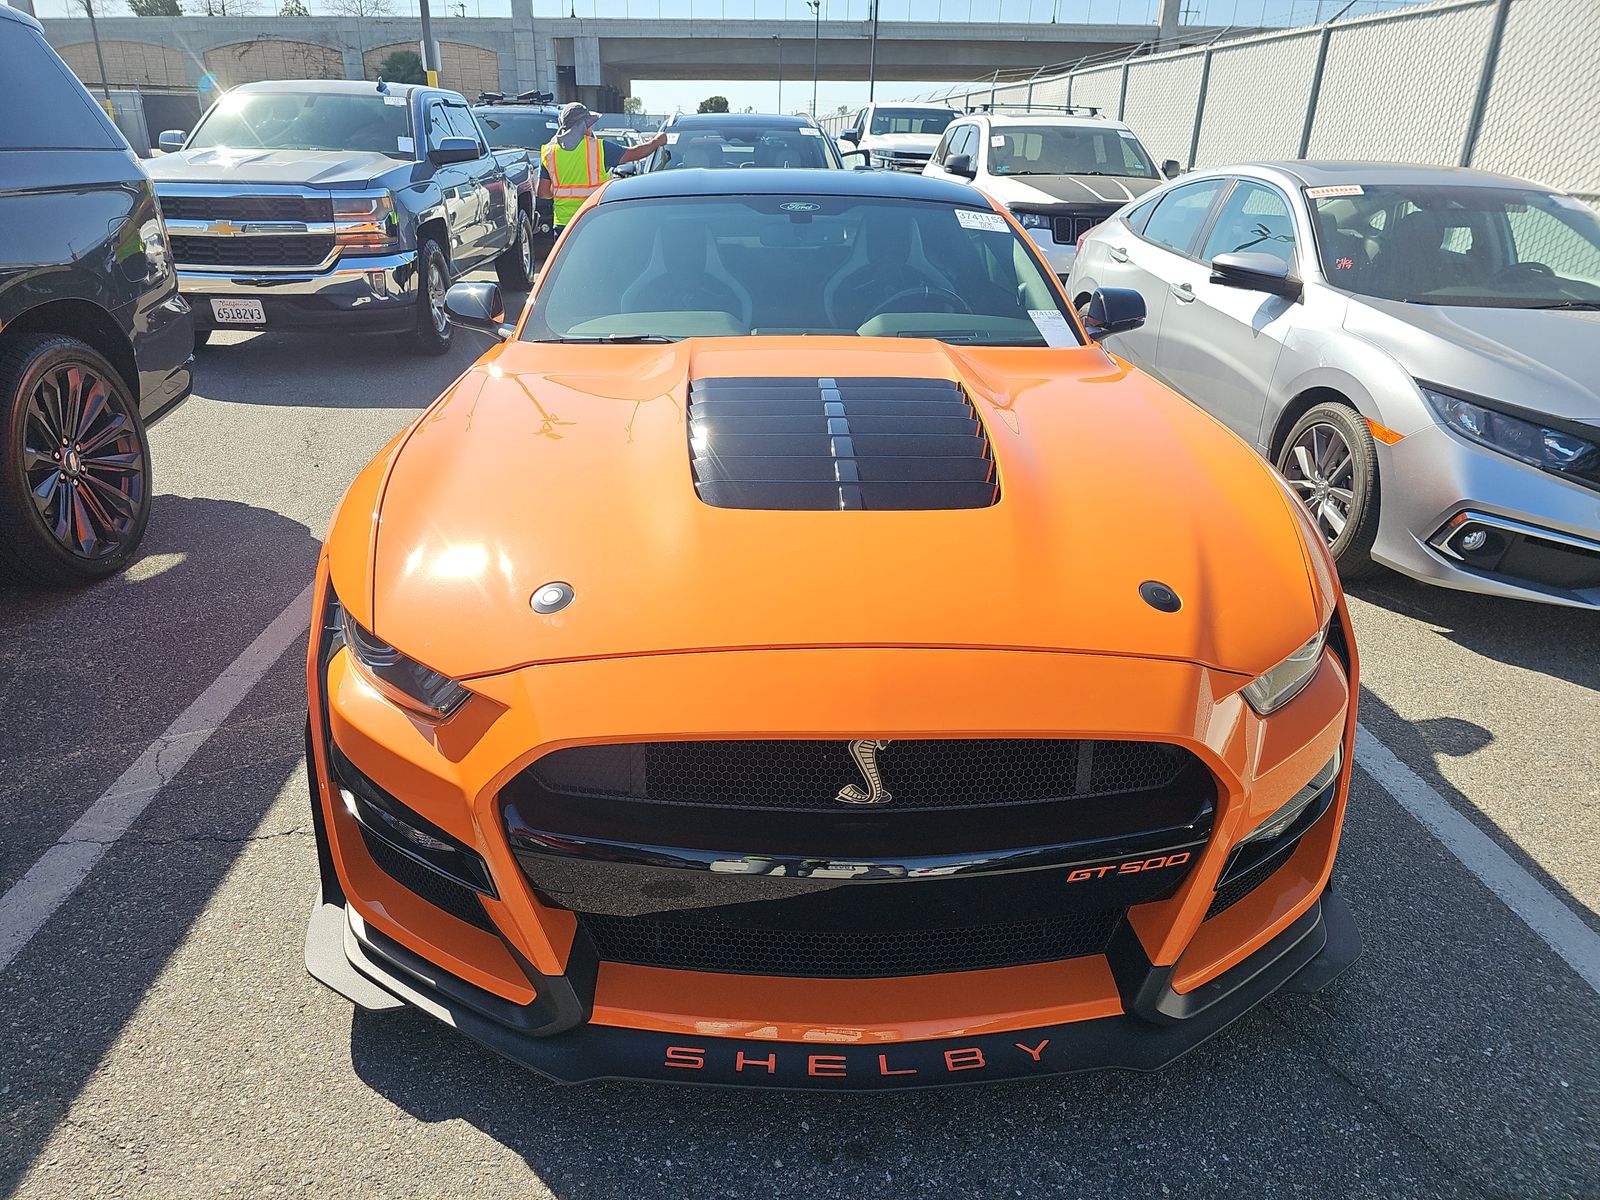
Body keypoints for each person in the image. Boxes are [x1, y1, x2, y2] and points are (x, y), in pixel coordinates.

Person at [538, 102, 665, 233]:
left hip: (563, 225)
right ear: (585, 126)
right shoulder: (598, 148)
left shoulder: (549, 152)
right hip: (595, 219)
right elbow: (634, 153)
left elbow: (543, 192)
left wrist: (564, 193)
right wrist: (656, 142)